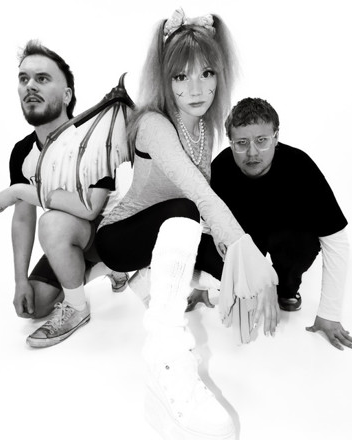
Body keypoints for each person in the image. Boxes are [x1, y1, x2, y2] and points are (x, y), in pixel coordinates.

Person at [94, 9, 278, 440]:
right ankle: (165, 355)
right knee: (189, 211)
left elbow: (203, 199)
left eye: (206, 73)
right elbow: (196, 193)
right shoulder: (153, 124)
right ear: (165, 79)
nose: (196, 89)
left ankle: (157, 283)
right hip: (121, 237)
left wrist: (243, 259)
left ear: (219, 76)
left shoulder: (204, 128)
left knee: (232, 259)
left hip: (172, 229)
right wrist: (240, 244)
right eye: (181, 76)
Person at [0, 40, 129, 348]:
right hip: (73, 237)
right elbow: (23, 218)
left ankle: (78, 307)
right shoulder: (22, 151)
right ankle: (100, 270)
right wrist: (20, 279)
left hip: (114, 233)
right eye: (24, 79)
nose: (30, 86)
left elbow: (89, 209)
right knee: (35, 305)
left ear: (67, 94)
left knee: (52, 223)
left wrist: (18, 190)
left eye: (42, 78)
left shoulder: (92, 136)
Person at [204, 97, 352, 351]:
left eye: (261, 140)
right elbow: (205, 227)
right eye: (241, 143)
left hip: (286, 236)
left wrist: (329, 314)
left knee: (300, 242)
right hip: (243, 239)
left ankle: (286, 288)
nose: (252, 152)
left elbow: (336, 239)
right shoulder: (221, 167)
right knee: (206, 242)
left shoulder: (301, 166)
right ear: (231, 142)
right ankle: (244, 287)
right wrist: (203, 283)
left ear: (276, 137)